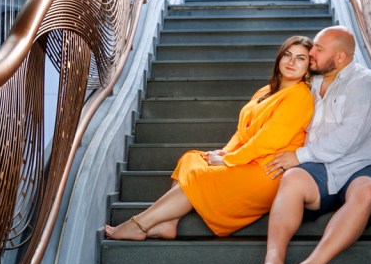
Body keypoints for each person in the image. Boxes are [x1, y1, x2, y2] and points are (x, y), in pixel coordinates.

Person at [103, 35, 315, 240]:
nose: (292, 62)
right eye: (288, 55)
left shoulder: (299, 96)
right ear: (279, 58)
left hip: (268, 171)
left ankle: (139, 224)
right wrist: (226, 152)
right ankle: (169, 224)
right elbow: (243, 131)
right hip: (250, 159)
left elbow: (269, 140)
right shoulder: (266, 90)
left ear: (308, 66)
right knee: (191, 159)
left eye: (301, 58)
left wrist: (230, 160)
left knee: (199, 177)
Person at [248, 25, 371, 264]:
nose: (310, 52)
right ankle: (273, 263)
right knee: (291, 179)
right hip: (324, 165)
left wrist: (299, 156)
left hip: (366, 163)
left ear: (340, 58)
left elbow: (348, 140)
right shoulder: (313, 81)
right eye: (312, 46)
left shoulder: (367, 84)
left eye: (318, 49)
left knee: (365, 193)